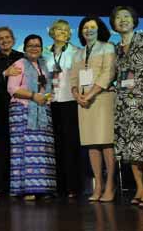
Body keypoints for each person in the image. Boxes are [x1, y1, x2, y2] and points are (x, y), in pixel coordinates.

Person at [110, 6, 143, 207]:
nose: (122, 20)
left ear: (134, 20)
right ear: (114, 24)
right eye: (118, 18)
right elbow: (117, 75)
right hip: (123, 102)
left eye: (127, 16)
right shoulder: (116, 48)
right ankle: (139, 186)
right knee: (129, 145)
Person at [70, 16, 116, 202]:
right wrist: (77, 95)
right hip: (83, 103)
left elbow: (109, 73)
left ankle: (110, 186)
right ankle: (99, 186)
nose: (88, 30)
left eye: (92, 27)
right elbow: (73, 78)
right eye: (85, 27)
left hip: (102, 98)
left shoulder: (108, 47)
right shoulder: (78, 53)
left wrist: (89, 95)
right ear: (81, 31)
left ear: (99, 29)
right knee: (91, 144)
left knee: (106, 143)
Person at [7, 34, 56, 201]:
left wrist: (46, 97)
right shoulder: (19, 63)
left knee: (43, 150)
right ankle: (26, 189)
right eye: (30, 45)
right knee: (25, 150)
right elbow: (13, 88)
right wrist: (34, 96)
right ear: (24, 48)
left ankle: (43, 188)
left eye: (37, 45)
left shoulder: (44, 65)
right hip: (23, 110)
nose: (34, 48)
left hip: (42, 110)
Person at [0, 27, 24, 198]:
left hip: (20, 108)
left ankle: (17, 186)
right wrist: (4, 73)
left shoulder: (21, 57)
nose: (4, 40)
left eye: (7, 37)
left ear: (13, 39)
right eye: (0, 38)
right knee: (0, 148)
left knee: (18, 148)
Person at [45, 19, 82, 198]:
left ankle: (72, 185)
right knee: (55, 144)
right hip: (51, 103)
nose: (62, 32)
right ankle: (57, 185)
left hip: (69, 101)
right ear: (52, 32)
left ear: (69, 34)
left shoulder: (76, 52)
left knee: (70, 144)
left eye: (65, 30)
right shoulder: (45, 53)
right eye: (58, 29)